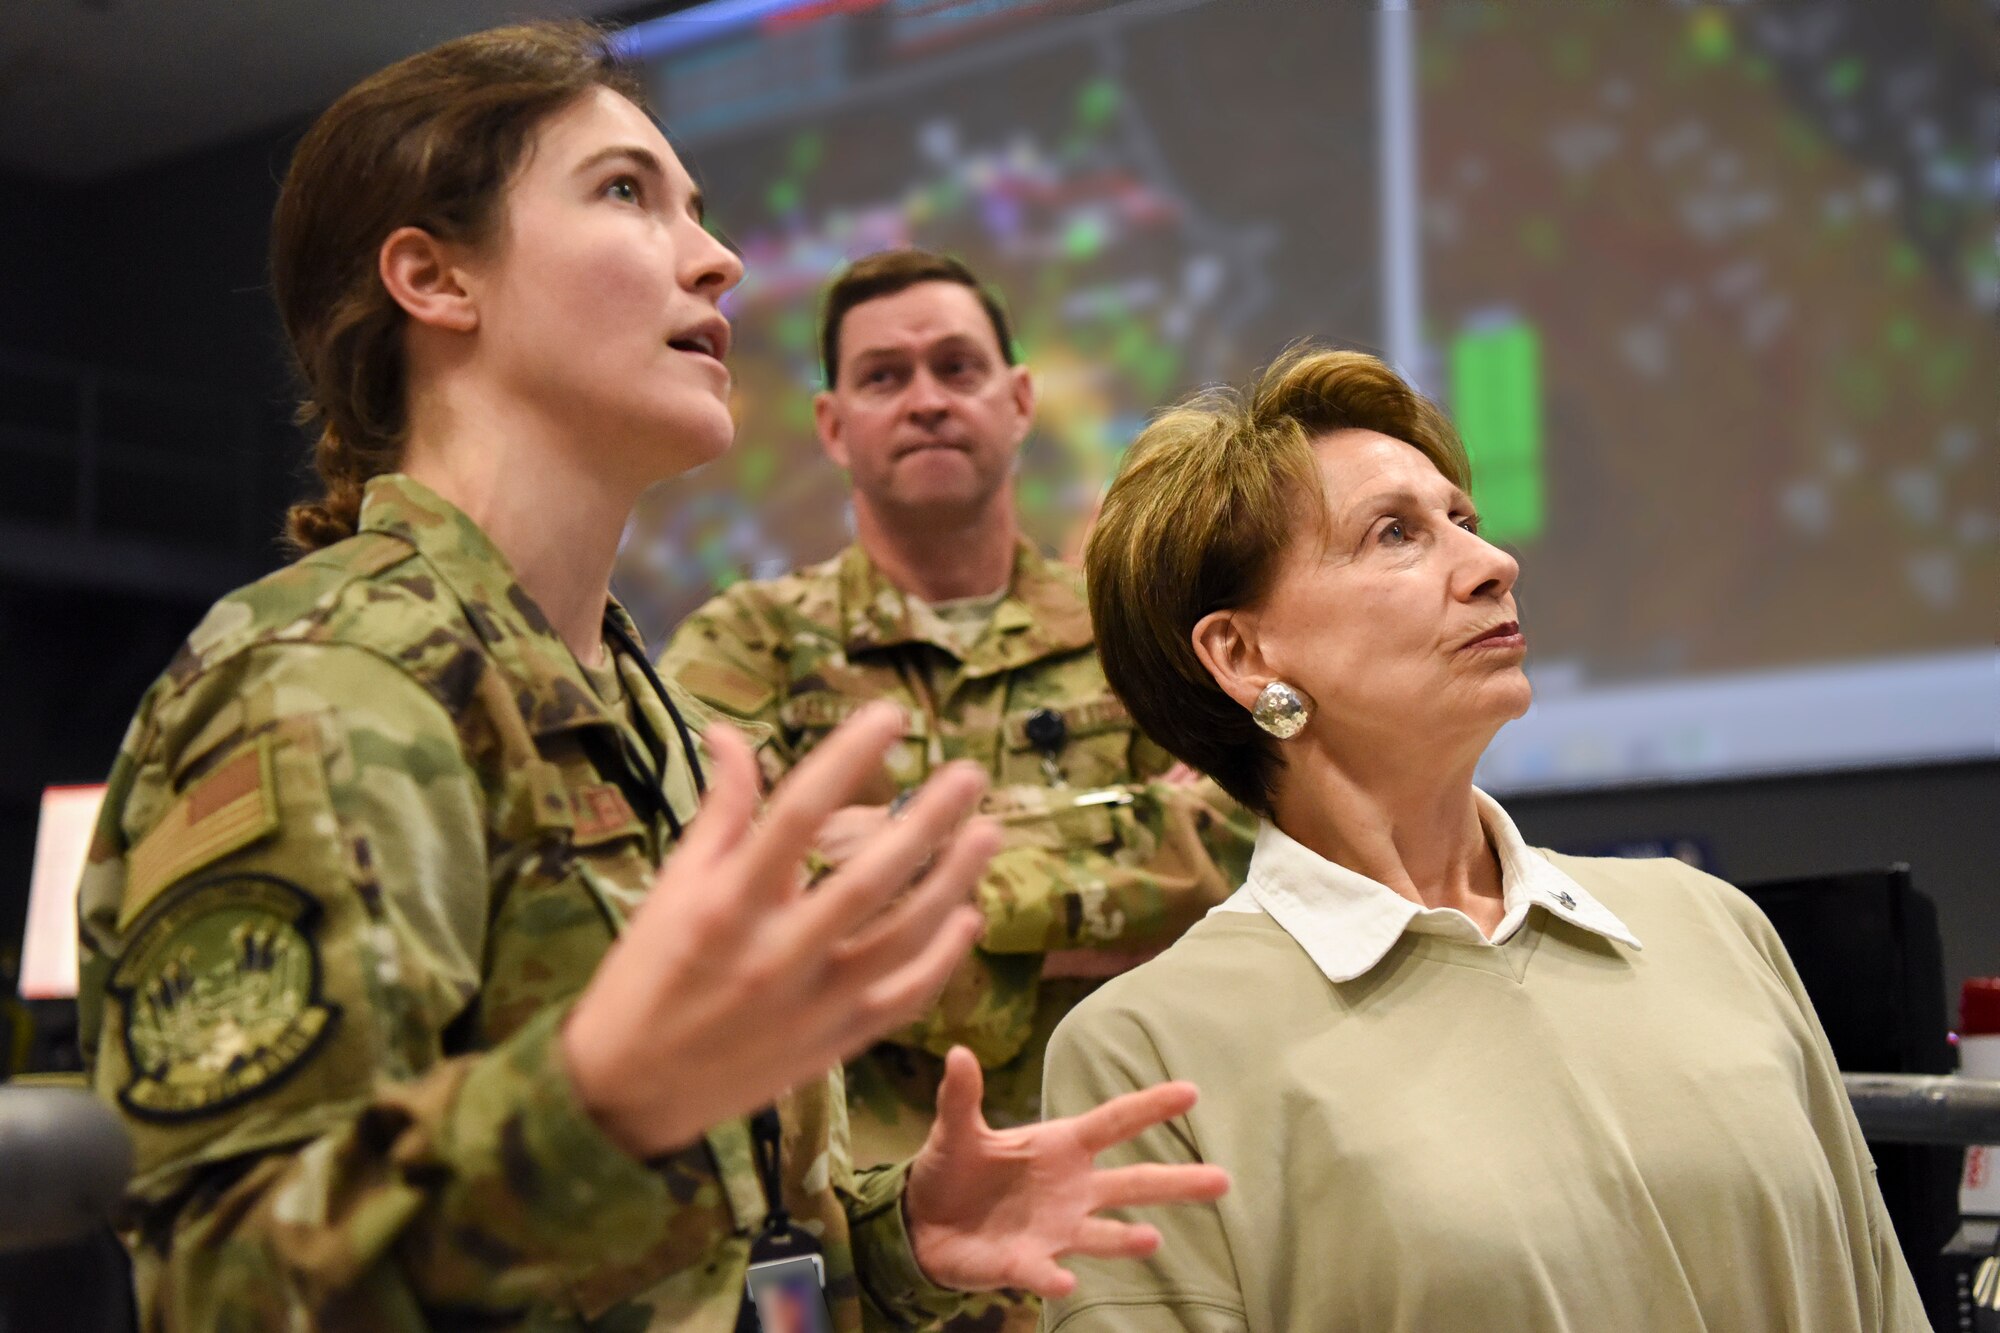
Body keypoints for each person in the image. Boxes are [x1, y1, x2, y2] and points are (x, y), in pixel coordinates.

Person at [72, 25, 1227, 1331]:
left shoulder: (641, 713)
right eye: (626, 191)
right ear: (434, 277)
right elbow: (229, 1291)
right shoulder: (327, 688)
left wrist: (900, 1231)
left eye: (699, 206)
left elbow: (711, 1240)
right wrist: (600, 1105)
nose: (719, 256)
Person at [1039, 346, 1927, 1331]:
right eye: (1394, 534)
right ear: (1242, 654)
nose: (1491, 563)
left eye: (1462, 520)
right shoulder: (1145, 1053)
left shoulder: (1709, 927)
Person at [661, 248, 1255, 1172]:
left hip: (1132, 1167)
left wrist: (916, 846)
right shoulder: (747, 644)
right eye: (884, 377)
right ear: (832, 424)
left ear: (1020, 401)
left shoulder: (1134, 627)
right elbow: (723, 905)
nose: (927, 398)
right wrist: (1094, 893)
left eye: (957, 367)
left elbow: (1234, 849)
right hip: (861, 1209)